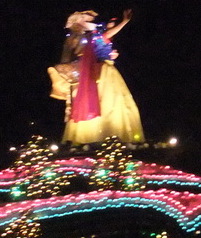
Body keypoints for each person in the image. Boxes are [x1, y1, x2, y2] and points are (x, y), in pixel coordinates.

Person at [48, 9, 144, 144]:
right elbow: (109, 34)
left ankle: (108, 136)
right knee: (109, 102)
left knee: (114, 103)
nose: (112, 25)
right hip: (104, 72)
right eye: (111, 23)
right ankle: (105, 135)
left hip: (105, 69)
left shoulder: (100, 39)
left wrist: (111, 55)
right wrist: (124, 22)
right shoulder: (99, 37)